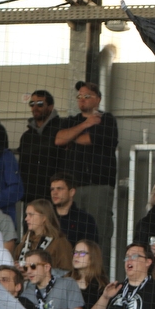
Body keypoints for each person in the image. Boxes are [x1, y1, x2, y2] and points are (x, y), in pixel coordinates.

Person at [55, 81, 118, 264]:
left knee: (98, 233)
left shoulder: (107, 120)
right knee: (69, 233)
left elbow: (89, 140)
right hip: (73, 188)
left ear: (98, 99)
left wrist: (72, 137)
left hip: (98, 186)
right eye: (79, 96)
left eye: (87, 96)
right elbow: (59, 139)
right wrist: (85, 124)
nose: (82, 100)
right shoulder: (71, 121)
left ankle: (98, 276)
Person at [20, 249, 84, 309]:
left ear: (47, 267)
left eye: (33, 266)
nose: (28, 271)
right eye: (26, 268)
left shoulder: (67, 284)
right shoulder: (26, 295)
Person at [18, 89, 61, 204]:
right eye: (32, 104)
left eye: (40, 104)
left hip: (55, 196)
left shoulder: (62, 130)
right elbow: (22, 167)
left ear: (51, 107)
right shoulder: (26, 136)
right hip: (31, 197)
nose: (35, 107)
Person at [14, 199, 73, 271]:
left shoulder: (60, 243)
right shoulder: (22, 245)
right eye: (26, 215)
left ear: (44, 217)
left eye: (31, 215)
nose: (26, 218)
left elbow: (67, 273)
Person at [49, 174, 98, 246]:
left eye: (59, 189)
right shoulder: (45, 217)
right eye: (52, 189)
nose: (54, 193)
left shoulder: (85, 220)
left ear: (72, 192)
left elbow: (90, 250)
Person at [65, 240, 108, 309]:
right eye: (75, 252)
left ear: (93, 257)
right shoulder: (65, 280)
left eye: (82, 253)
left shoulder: (100, 286)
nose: (76, 256)